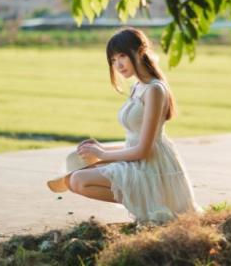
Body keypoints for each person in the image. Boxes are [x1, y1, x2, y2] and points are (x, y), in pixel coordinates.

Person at [68, 27, 203, 225]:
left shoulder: (154, 90)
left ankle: (150, 203)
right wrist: (100, 149)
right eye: (113, 60)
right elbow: (134, 142)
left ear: (140, 52)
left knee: (78, 180)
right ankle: (148, 204)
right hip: (137, 160)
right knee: (70, 179)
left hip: (150, 165)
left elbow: (143, 150)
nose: (118, 64)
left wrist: (103, 155)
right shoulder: (138, 86)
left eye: (122, 56)